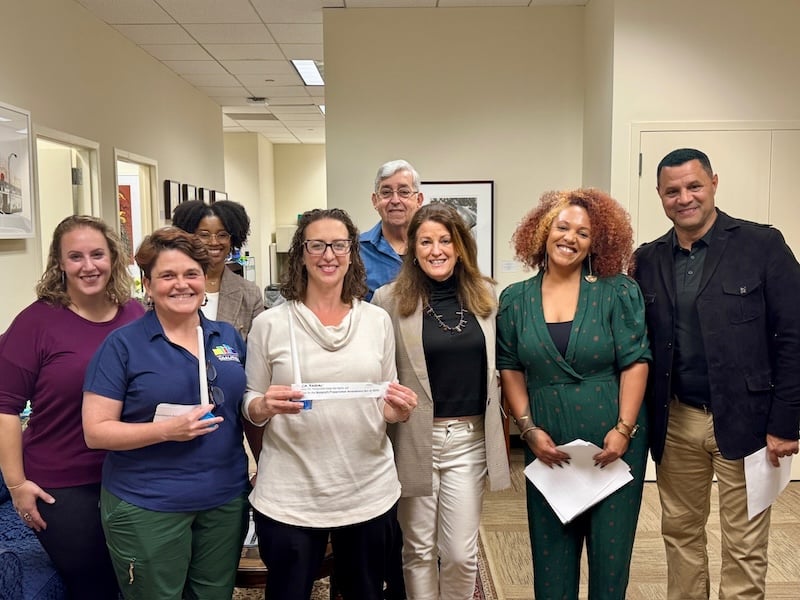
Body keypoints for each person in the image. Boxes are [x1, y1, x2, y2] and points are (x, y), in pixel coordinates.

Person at [632, 148, 800, 600]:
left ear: (713, 184)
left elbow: (794, 337)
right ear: (660, 196)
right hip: (676, 421)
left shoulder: (762, 245)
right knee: (680, 535)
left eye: (693, 186)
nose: (684, 198)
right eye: (672, 191)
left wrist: (787, 422)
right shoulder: (647, 259)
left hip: (748, 421)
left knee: (744, 545)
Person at [243, 208, 418, 600]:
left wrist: (398, 411)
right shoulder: (270, 324)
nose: (328, 255)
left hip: (367, 490)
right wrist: (264, 406)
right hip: (292, 495)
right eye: (316, 245)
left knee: (366, 592)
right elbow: (249, 404)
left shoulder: (376, 321)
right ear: (301, 253)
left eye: (339, 245)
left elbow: (383, 402)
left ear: (352, 253)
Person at [497, 189, 651, 600]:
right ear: (542, 233)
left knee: (610, 562)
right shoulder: (514, 299)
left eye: (584, 232)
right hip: (547, 445)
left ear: (596, 242)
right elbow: (509, 366)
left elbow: (636, 362)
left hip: (613, 448)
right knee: (551, 562)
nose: (570, 238)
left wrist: (624, 429)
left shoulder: (618, 291)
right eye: (562, 227)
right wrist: (528, 430)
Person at [82, 227, 250, 599]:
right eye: (167, 276)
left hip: (223, 500)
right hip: (148, 504)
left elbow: (243, 411)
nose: (181, 285)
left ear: (205, 280)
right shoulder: (122, 346)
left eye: (191, 274)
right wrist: (165, 431)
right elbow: (96, 431)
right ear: (147, 283)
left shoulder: (226, 338)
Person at [0, 214, 144, 599]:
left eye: (97, 254)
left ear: (113, 258)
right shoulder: (36, 324)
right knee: (95, 585)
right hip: (62, 483)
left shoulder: (135, 315)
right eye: (75, 256)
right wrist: (16, 485)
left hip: (130, 471)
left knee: (137, 578)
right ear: (59, 263)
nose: (88, 265)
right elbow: (5, 407)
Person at [372, 203, 510, 599]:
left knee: (460, 554)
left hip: (468, 440)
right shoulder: (388, 300)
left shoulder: (488, 297)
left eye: (445, 240)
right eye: (426, 241)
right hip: (414, 440)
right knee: (416, 549)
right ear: (412, 249)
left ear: (460, 245)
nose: (436, 250)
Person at [171, 199, 264, 340]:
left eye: (222, 235)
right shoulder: (171, 287)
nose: (214, 242)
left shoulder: (249, 294)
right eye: (204, 235)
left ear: (233, 240)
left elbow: (258, 352)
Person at [360, 159, 425, 301]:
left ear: (419, 200)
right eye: (386, 192)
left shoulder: (436, 248)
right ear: (375, 201)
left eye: (404, 192)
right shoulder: (356, 250)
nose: (395, 200)